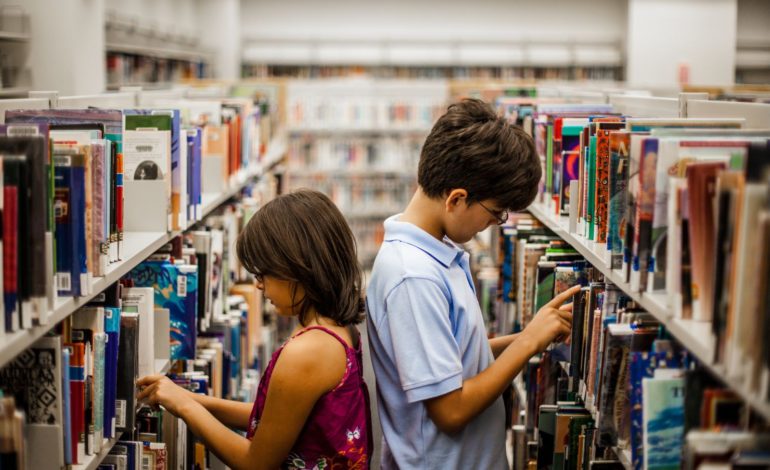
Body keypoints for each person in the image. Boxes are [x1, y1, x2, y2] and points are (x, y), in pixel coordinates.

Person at [366, 98, 579, 468]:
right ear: (457, 199)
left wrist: (533, 334)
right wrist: (528, 342)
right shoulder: (413, 276)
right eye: (496, 212)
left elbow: (455, 357)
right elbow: (450, 409)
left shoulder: (436, 251)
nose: (495, 223)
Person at [138, 189, 372, 470]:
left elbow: (256, 463)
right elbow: (276, 417)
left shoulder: (309, 351)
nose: (258, 285)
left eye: (264, 272)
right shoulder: (338, 328)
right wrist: (189, 398)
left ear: (299, 267)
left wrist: (185, 408)